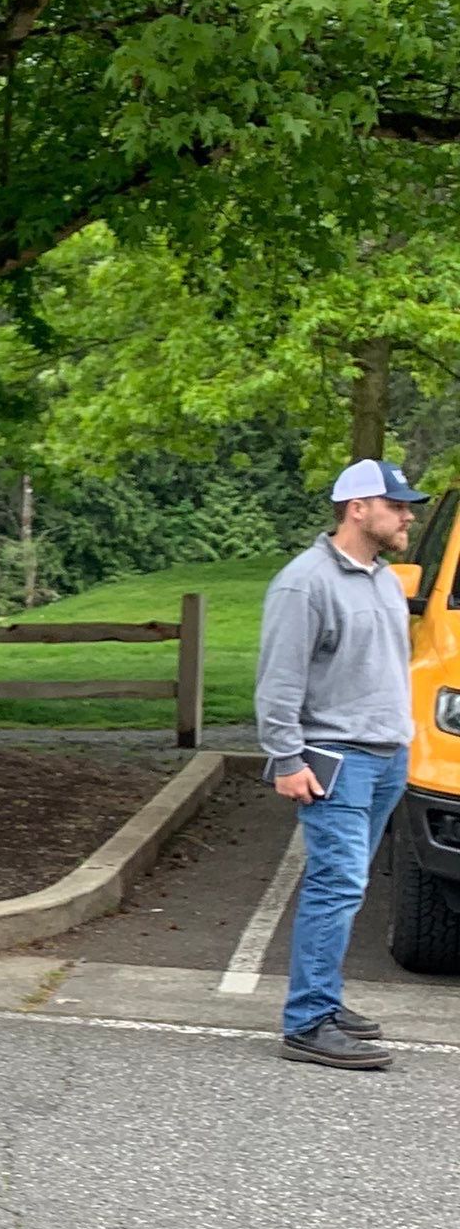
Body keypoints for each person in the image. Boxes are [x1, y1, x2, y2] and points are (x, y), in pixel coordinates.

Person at [254, 458, 427, 1070]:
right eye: (396, 506)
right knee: (338, 884)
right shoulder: (304, 583)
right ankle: (307, 1022)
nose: (408, 517)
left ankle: (322, 999)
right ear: (358, 509)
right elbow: (279, 683)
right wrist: (285, 758)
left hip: (386, 757)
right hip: (338, 758)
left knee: (346, 886)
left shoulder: (384, 578)